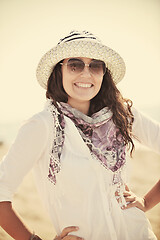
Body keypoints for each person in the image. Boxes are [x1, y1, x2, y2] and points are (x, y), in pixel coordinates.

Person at [0, 30, 159, 240]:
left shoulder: (123, 114)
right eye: (75, 64)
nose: (86, 74)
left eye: (95, 65)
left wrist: (147, 202)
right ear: (59, 71)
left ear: (104, 73)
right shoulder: (42, 125)